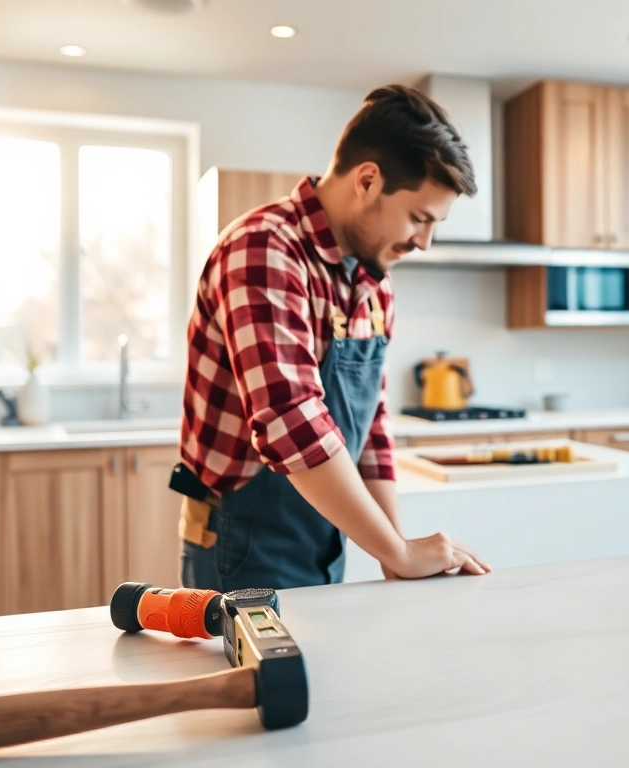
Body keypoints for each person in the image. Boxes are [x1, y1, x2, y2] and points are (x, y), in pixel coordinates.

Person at [172, 84, 491, 591]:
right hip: (243, 537)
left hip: (327, 528)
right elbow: (291, 420)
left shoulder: (373, 283)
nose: (425, 243)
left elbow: (371, 426)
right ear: (367, 180)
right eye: (419, 218)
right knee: (256, 674)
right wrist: (398, 549)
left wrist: (395, 549)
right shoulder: (264, 250)